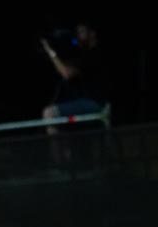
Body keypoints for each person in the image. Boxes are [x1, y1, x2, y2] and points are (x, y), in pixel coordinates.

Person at [39, 19, 109, 165]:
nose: (78, 35)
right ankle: (69, 157)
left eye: (82, 32)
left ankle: (59, 163)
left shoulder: (95, 53)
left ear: (92, 34)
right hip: (85, 102)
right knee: (62, 117)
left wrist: (50, 52)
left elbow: (66, 73)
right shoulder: (83, 54)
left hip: (96, 105)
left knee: (49, 114)